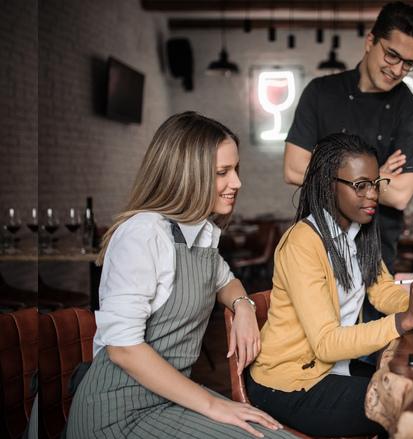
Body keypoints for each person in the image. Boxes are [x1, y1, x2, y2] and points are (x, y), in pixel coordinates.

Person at [66, 112, 293, 439]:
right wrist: (215, 406)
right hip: (117, 413)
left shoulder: (200, 233)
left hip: (170, 398)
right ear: (187, 174)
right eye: (222, 172)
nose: (237, 183)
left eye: (236, 170)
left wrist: (244, 306)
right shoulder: (143, 234)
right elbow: (122, 349)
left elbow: (226, 281)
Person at [248, 133, 413, 437]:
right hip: (289, 385)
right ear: (328, 184)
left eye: (376, 184)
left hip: (334, 369)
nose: (373, 195)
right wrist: (405, 320)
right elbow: (326, 343)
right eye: (360, 185)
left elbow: (382, 292)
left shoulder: (357, 232)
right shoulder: (303, 242)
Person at [283, 1, 413, 327]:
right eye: (391, 55)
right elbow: (293, 168)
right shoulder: (320, 93)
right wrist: (378, 176)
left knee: (372, 359)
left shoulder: (411, 112)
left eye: (409, 64)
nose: (397, 69)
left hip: (375, 258)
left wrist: (328, 170)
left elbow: (401, 194)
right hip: (314, 250)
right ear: (370, 41)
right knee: (313, 351)